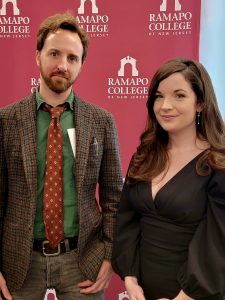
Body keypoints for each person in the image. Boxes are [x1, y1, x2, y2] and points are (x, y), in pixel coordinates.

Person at [0, 11, 123, 300]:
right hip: (19, 261)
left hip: (82, 260)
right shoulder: (5, 120)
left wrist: (109, 256)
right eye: (54, 53)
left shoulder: (101, 121)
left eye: (72, 58)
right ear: (37, 56)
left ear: (81, 65)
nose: (62, 65)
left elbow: (114, 197)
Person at [112, 58, 225, 300]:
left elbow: (217, 244)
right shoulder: (143, 157)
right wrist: (130, 282)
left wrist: (183, 298)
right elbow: (127, 221)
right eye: (159, 96)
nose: (165, 105)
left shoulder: (218, 164)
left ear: (201, 104)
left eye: (179, 95)